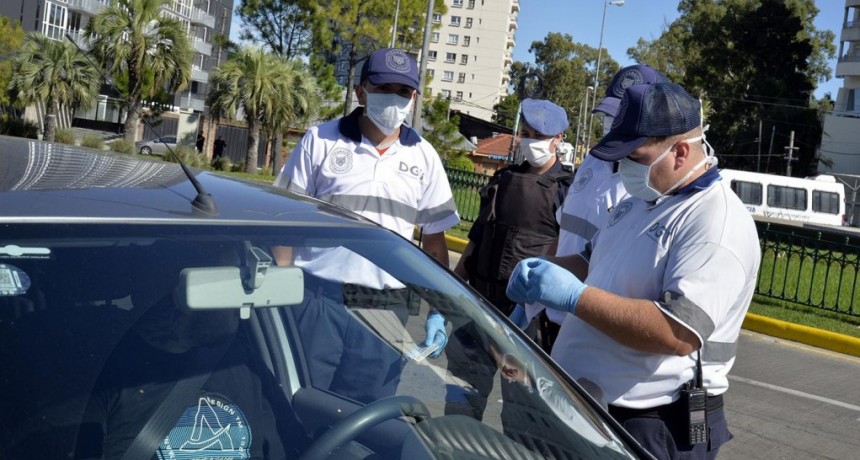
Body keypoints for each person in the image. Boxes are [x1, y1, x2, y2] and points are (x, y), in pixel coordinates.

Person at [506, 82, 761, 459]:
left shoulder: (716, 222)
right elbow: (592, 261)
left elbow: (676, 333)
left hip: (652, 426)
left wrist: (574, 297)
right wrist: (542, 274)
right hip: (592, 409)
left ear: (680, 152)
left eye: (634, 156)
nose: (622, 166)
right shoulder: (643, 199)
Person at [272, 47, 460, 402]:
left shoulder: (424, 156)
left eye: (403, 92)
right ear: (360, 91)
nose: (394, 99)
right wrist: (279, 293)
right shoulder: (320, 141)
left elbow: (434, 244)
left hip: (386, 311)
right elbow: (286, 222)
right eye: (383, 88)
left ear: (414, 98)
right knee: (297, 401)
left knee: (366, 416)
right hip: (319, 300)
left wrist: (439, 310)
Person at [75, 245, 308, 459]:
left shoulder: (244, 362)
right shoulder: (109, 373)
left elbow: (290, 448)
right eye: (231, 286)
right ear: (185, 295)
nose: (241, 301)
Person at [520, 64, 670, 352]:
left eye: (623, 114)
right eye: (611, 114)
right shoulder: (593, 161)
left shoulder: (650, 183)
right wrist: (532, 302)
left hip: (593, 327)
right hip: (551, 319)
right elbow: (565, 233)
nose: (613, 122)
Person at [453, 98, 573, 344]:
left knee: (520, 383)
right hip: (480, 300)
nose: (530, 141)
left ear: (558, 139)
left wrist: (527, 310)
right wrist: (452, 289)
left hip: (527, 313)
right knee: (463, 379)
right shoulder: (502, 179)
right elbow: (477, 239)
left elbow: (565, 253)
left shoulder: (567, 189)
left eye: (539, 135)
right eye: (526, 133)